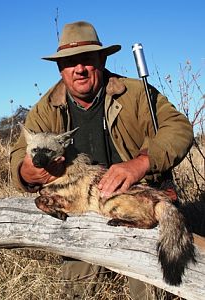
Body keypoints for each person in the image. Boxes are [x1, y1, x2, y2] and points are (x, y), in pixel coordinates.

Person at [10, 21, 193, 299]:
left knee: (150, 289)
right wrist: (27, 174)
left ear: (102, 59)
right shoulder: (45, 109)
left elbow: (178, 128)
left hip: (134, 199)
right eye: (70, 62)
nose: (79, 69)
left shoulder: (136, 93)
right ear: (60, 68)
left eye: (87, 60)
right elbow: (19, 158)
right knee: (78, 290)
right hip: (80, 211)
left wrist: (141, 162)